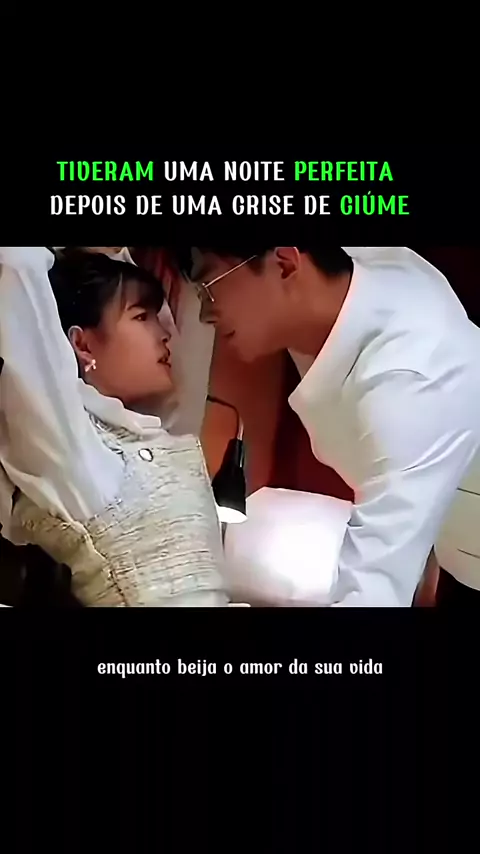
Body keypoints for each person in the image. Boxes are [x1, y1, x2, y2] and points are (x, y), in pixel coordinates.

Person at [169, 245, 480, 607]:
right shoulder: (357, 280)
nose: (205, 314)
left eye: (208, 287)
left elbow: (371, 591)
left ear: (285, 264)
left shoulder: (410, 386)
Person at [0, 247, 228, 607]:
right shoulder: (74, 450)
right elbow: (19, 277)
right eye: (142, 317)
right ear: (82, 343)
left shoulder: (154, 435)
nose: (165, 333)